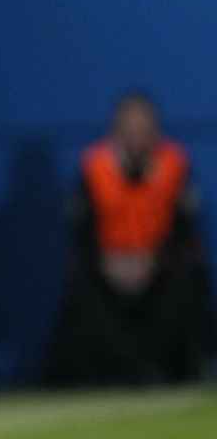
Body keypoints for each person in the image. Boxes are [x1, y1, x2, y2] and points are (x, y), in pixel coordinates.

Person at [47, 93, 213, 386]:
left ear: (155, 134)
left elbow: (184, 231)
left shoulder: (175, 165)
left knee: (191, 276)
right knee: (78, 285)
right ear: (116, 133)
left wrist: (153, 260)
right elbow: (82, 232)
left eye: (144, 131)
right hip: (107, 269)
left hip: (159, 267)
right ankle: (89, 380)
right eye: (129, 130)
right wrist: (108, 263)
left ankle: (185, 373)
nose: (137, 138)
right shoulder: (94, 167)